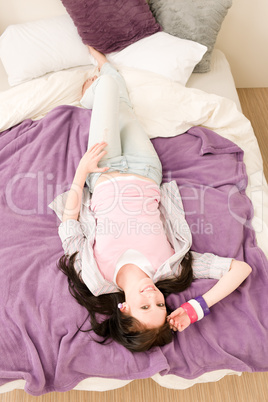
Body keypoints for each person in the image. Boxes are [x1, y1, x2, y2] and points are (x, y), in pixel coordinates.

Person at [57, 47, 252, 352]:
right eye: (159, 305)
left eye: (144, 307)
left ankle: (96, 88)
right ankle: (95, 93)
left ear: (123, 308)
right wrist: (195, 308)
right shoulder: (172, 268)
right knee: (122, 105)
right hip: (146, 169)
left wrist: (82, 171)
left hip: (101, 169)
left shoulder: (96, 277)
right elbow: (241, 269)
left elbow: (69, 227)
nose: (152, 297)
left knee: (109, 85)